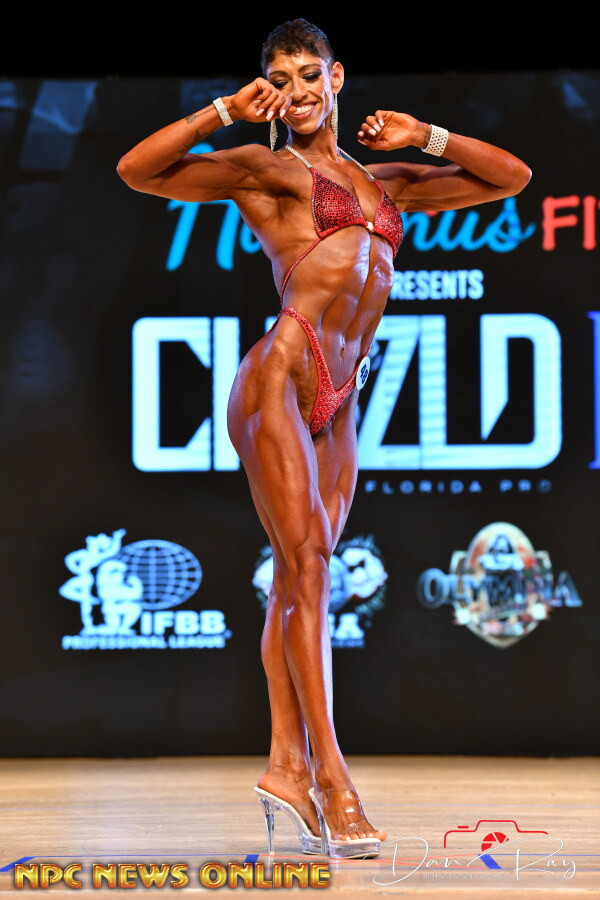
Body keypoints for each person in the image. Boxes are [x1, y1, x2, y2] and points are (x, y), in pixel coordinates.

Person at [116, 18, 531, 858]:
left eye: (310, 74)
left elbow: (511, 177)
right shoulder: (266, 169)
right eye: (282, 79)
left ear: (336, 77)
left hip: (340, 398)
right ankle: (334, 782)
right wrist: (223, 112)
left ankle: (283, 767)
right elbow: (138, 170)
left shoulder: (385, 183)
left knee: (303, 581)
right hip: (280, 374)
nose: (298, 91)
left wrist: (425, 135)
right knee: (305, 568)